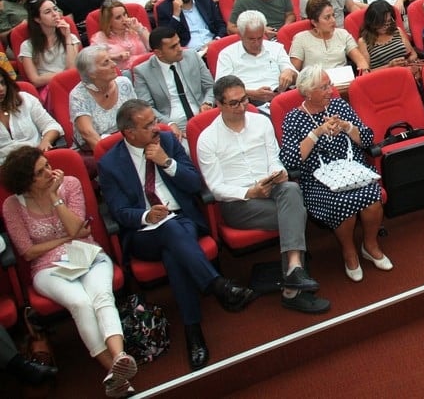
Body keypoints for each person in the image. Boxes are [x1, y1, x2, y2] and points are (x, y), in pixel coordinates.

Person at [98, 99, 256, 370]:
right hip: (144, 233)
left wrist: (167, 162)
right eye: (148, 126)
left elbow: (195, 183)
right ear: (129, 133)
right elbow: (118, 210)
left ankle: (194, 331)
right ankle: (217, 285)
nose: (156, 128)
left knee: (173, 251)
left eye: (154, 120)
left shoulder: (168, 142)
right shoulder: (110, 163)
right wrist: (146, 216)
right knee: (168, 230)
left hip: (181, 220)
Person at [2, 146, 138, 397]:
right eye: (40, 172)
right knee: (80, 302)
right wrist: (67, 237)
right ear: (25, 181)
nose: (50, 173)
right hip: (47, 268)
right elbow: (28, 252)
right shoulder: (12, 205)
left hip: (86, 254)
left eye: (46, 165)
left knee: (101, 296)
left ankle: (119, 356)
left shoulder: (70, 184)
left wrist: (56, 198)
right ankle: (114, 372)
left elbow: (78, 230)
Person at [198, 75, 329, 313]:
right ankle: (293, 285)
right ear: (218, 104)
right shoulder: (207, 139)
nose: (241, 107)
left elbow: (274, 160)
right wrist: (249, 191)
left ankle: (293, 274)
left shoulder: (261, 122)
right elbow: (216, 187)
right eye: (234, 103)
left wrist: (277, 173)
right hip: (239, 203)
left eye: (244, 100)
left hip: (271, 188)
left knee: (290, 187)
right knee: (295, 212)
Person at [279, 65, 391, 280]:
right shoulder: (293, 118)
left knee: (372, 199)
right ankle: (349, 251)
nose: (331, 90)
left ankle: (370, 244)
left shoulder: (340, 105)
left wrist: (348, 127)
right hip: (316, 178)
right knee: (343, 205)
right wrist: (317, 132)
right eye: (324, 87)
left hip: (352, 170)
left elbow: (368, 139)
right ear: (308, 92)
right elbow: (290, 159)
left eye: (329, 84)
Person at [133, 26, 213, 141]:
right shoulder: (142, 72)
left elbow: (210, 86)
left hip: (202, 116)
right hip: (173, 125)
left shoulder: (192, 56)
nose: (180, 49)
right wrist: (168, 124)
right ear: (158, 53)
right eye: (173, 47)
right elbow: (147, 107)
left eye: (179, 43)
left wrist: (207, 103)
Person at [217, 10, 297, 105]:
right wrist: (251, 94)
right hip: (248, 103)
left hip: (279, 96)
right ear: (241, 36)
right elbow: (222, 90)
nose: (257, 43)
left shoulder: (276, 48)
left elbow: (295, 77)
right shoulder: (227, 55)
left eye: (260, 38)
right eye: (251, 39)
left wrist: (289, 72)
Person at [69, 46, 136, 152]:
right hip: (96, 149)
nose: (114, 64)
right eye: (106, 63)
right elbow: (88, 134)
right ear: (92, 74)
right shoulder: (79, 95)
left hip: (129, 141)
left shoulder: (124, 83)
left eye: (111, 60)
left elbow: (137, 116)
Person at [19, 0, 81, 100]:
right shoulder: (27, 46)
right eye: (48, 12)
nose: (55, 14)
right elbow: (35, 80)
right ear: (37, 19)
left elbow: (73, 68)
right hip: (49, 90)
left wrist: (67, 37)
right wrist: (64, 74)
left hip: (73, 84)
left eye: (55, 9)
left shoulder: (70, 37)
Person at [290, 0, 368, 73]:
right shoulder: (300, 39)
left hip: (343, 81)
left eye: (333, 15)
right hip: (316, 84)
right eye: (327, 17)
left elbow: (360, 60)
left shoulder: (342, 34)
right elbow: (294, 72)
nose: (333, 20)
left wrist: (364, 70)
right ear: (314, 22)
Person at [0, 66, 62, 161]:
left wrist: (45, 141)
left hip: (37, 160)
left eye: (2, 83)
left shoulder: (25, 99)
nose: (1, 88)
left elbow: (52, 126)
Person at [357, 0, 419, 72]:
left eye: (388, 22)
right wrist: (389, 66)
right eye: (381, 23)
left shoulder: (397, 31)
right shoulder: (363, 42)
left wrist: (407, 61)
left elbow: (413, 54)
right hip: (383, 78)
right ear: (372, 22)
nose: (386, 26)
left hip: (405, 72)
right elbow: (366, 72)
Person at [89, 0, 150, 73]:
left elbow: (153, 47)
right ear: (108, 21)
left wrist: (139, 29)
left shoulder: (136, 28)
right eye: (118, 17)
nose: (124, 19)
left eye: (125, 14)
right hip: (123, 74)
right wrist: (114, 56)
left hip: (147, 68)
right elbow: (93, 60)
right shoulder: (100, 37)